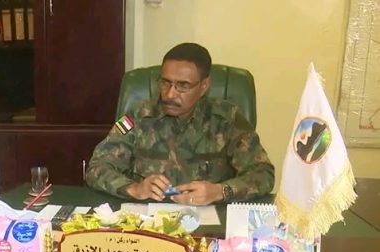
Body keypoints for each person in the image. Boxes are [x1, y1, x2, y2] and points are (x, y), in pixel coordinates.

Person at [86, 42, 275, 205]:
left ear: (204, 86)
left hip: (207, 221)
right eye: (165, 82)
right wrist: (134, 188)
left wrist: (220, 191)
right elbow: (97, 167)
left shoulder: (227, 120)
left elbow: (263, 174)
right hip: (147, 220)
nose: (170, 94)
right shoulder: (138, 116)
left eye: (183, 86)